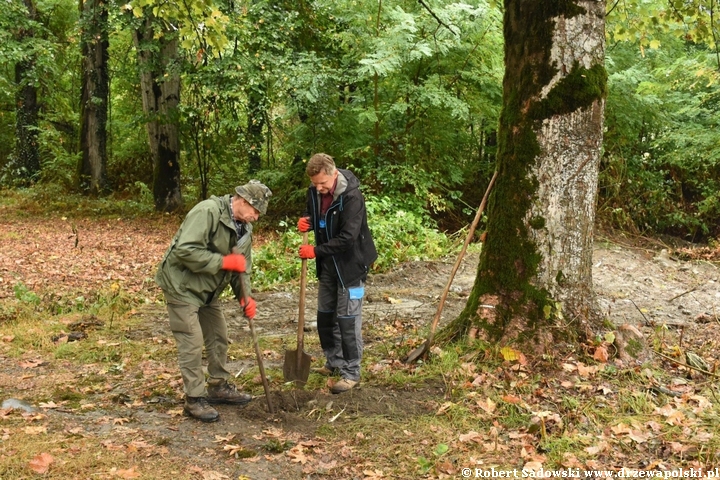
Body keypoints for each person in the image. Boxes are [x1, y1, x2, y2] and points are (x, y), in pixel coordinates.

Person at [155, 180, 272, 422]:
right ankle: (194, 398)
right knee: (192, 340)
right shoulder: (207, 211)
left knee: (219, 335)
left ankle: (218, 386)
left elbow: (243, 270)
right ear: (242, 200)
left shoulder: (244, 229)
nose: (256, 217)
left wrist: (245, 299)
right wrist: (223, 262)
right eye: (255, 210)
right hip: (182, 285)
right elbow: (184, 250)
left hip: (209, 290)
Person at [297, 153, 377, 394]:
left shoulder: (352, 196)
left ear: (334, 174)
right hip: (328, 265)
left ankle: (351, 372)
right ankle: (334, 362)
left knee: (347, 319)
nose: (319, 188)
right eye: (315, 184)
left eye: (323, 183)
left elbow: (348, 237)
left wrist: (316, 250)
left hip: (352, 264)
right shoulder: (315, 191)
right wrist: (308, 220)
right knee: (325, 315)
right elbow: (317, 214)